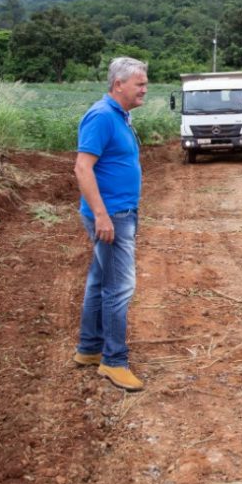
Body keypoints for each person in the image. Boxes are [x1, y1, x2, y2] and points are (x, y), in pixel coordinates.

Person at [72, 56, 148, 392]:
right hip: (112, 217)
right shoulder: (102, 116)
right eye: (139, 84)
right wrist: (102, 215)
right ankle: (114, 361)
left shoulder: (120, 115)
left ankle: (89, 348)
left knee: (99, 280)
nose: (144, 89)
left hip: (118, 213)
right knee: (120, 288)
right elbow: (82, 168)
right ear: (119, 84)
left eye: (145, 84)